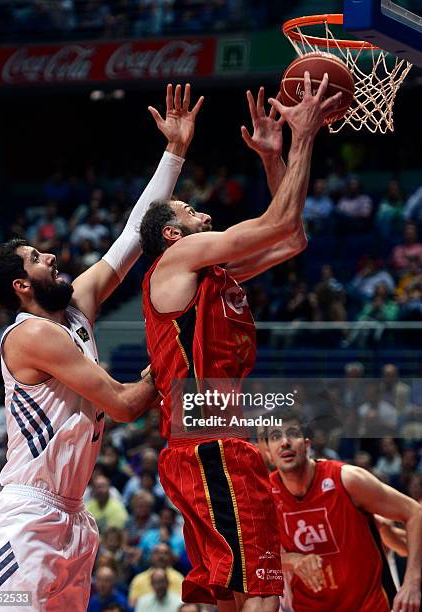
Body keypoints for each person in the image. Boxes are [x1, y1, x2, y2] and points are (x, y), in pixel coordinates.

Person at [0, 83, 202, 610]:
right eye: (36, 258)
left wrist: (174, 152)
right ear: (21, 286)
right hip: (27, 514)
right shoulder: (30, 335)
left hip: (73, 517)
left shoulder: (76, 307)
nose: (50, 257)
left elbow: (132, 238)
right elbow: (121, 405)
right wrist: (171, 357)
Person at [140, 76, 342, 611]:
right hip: (211, 445)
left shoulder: (215, 276)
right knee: (263, 589)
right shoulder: (179, 260)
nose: (204, 215)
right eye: (191, 213)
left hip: (202, 448)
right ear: (173, 235)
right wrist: (304, 136)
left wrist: (273, 158)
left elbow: (291, 236)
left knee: (227, 592)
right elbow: (277, 221)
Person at [258, 410, 422, 612]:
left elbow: (415, 512)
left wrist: (412, 583)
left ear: (307, 443)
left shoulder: (347, 480)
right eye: (275, 436)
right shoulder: (265, 497)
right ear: (267, 452)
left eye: (292, 433)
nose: (284, 442)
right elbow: (257, 557)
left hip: (367, 606)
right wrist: (293, 560)